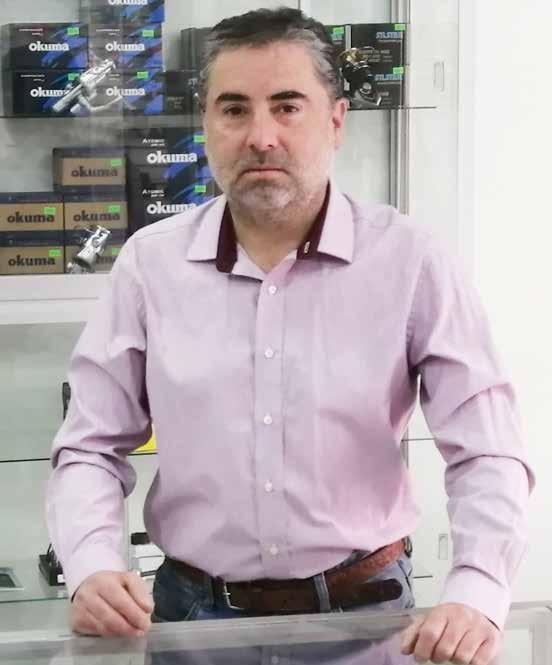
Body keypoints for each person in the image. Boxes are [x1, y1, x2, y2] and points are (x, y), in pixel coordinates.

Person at [46, 8, 534, 665]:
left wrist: (478, 589)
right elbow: (89, 446)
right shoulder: (149, 265)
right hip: (191, 621)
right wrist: (91, 564)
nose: (261, 137)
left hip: (368, 620)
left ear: (336, 121)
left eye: (287, 107)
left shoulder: (411, 260)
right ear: (206, 125)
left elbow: (488, 449)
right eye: (234, 109)